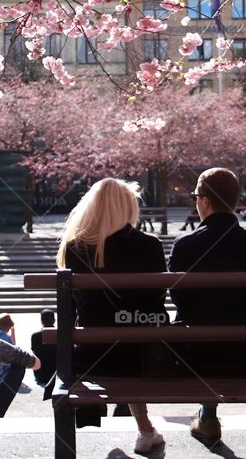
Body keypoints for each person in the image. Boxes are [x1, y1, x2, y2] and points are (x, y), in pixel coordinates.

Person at [168, 167, 246, 449]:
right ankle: (207, 416)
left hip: (198, 354)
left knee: (194, 323)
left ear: (204, 200)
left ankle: (207, 416)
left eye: (196, 196)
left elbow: (180, 302)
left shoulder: (185, 246)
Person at [56, 177, 167, 454]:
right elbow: (157, 300)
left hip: (94, 356)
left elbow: (74, 306)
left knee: (113, 338)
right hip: (143, 355)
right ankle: (145, 430)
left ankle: (146, 430)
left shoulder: (75, 248)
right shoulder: (150, 245)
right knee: (131, 338)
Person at [30, 308, 57, 387]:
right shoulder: (60, 335)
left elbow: (34, 353)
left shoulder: (35, 336)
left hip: (40, 375)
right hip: (57, 374)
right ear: (54, 320)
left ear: (41, 321)